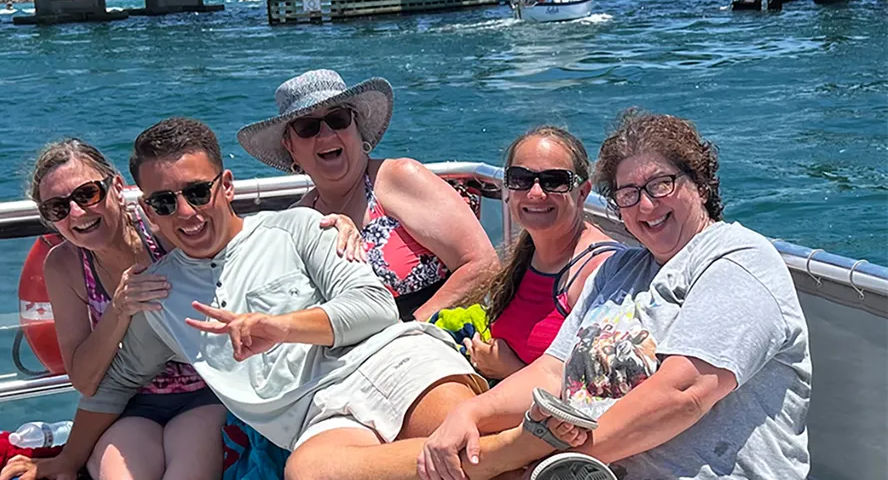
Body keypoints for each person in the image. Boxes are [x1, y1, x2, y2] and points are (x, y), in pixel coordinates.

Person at [0, 117, 487, 480]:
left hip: (390, 365)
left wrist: (279, 326)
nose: (186, 213)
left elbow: (376, 307)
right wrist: (65, 460)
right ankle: (517, 446)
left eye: (197, 192)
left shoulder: (297, 226)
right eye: (167, 203)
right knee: (310, 472)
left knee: (467, 448)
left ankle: (511, 453)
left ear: (226, 186)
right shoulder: (159, 289)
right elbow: (112, 382)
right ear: (149, 208)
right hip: (317, 415)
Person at [418, 109, 811, 480]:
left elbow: (685, 392)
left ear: (701, 184)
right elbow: (553, 370)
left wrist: (556, 462)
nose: (646, 204)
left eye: (661, 184)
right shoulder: (617, 271)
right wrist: (472, 413)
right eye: (628, 193)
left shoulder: (737, 260)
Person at [27, 139, 225, 480]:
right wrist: (119, 310)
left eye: (87, 194)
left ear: (117, 187)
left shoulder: (167, 232)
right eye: (58, 208)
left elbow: (236, 238)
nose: (76, 213)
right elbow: (85, 380)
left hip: (206, 394)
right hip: (131, 405)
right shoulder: (64, 265)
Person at [237, 69, 498, 322]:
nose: (326, 134)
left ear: (357, 126)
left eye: (338, 119)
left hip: (427, 339)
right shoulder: (300, 218)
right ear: (290, 146)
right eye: (307, 127)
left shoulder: (398, 178)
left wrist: (411, 330)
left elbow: (483, 264)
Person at [462, 127, 623, 381]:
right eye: (520, 179)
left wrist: (510, 371)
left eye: (554, 181)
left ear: (582, 193)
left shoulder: (599, 272)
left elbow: (603, 392)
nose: (536, 193)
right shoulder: (527, 255)